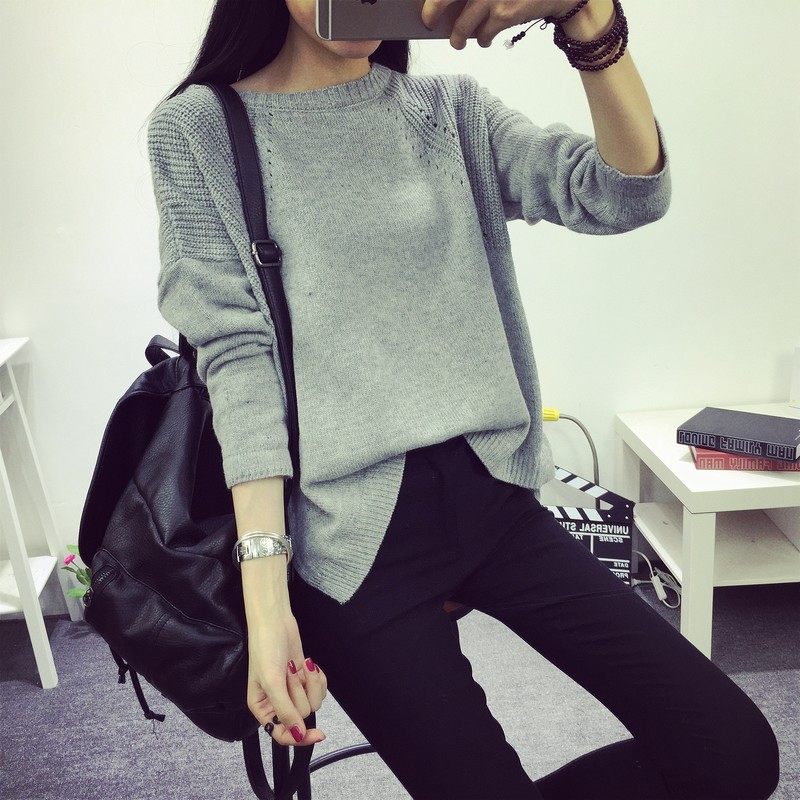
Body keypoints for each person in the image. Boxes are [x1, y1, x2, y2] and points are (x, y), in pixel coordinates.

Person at [146, 0, 780, 797]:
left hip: (496, 501)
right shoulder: (199, 129)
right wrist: (267, 605)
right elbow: (239, 362)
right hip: (349, 543)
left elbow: (625, 195)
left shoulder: (448, 111)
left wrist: (590, 20)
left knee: (733, 754)